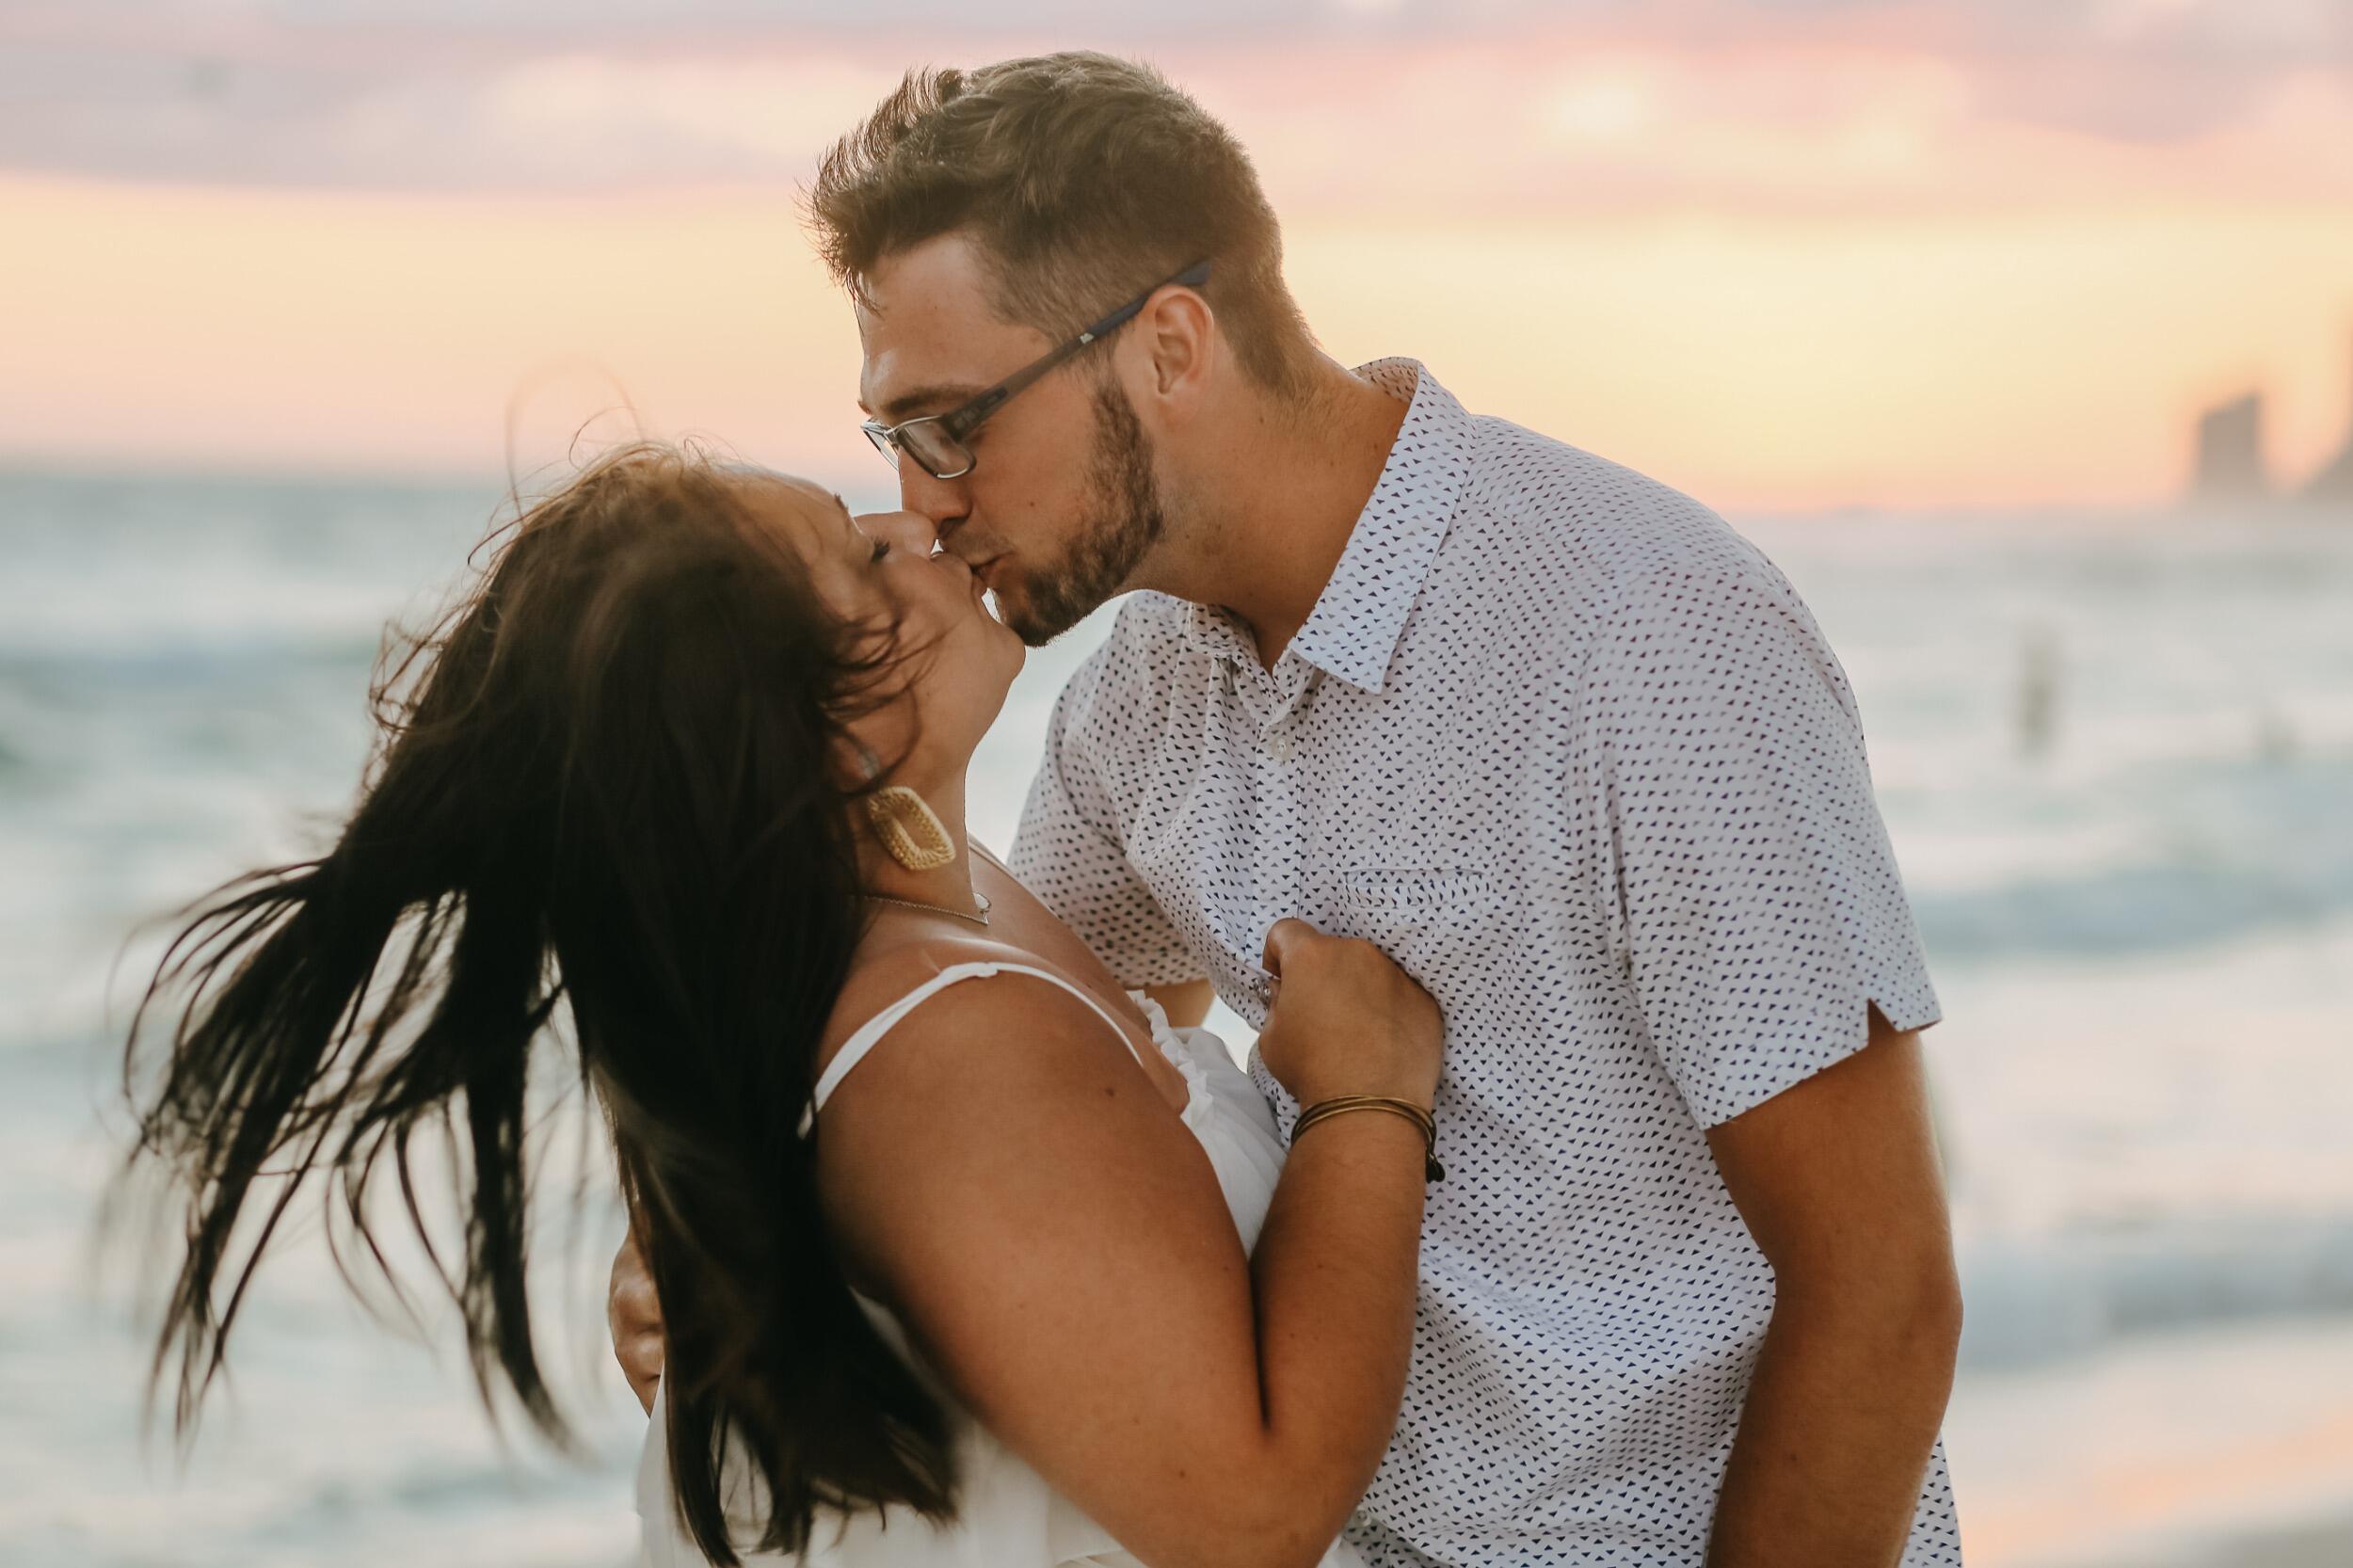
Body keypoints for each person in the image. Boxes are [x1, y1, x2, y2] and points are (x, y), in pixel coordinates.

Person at [612, 51, 1965, 1568]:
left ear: (1170, 348)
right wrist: (736, 1217)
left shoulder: (1642, 634)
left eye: (956, 423)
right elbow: (1023, 1078)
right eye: (895, 442)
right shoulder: (1145, 693)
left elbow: (1882, 1293)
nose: (926, 500)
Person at [120, 445, 1447, 1568]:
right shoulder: (946, 1043)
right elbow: (1253, 1511)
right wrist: (1361, 1095)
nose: (915, 518)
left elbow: (1075, 1166)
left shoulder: (928, 906)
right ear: (827, 732)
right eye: (859, 553)